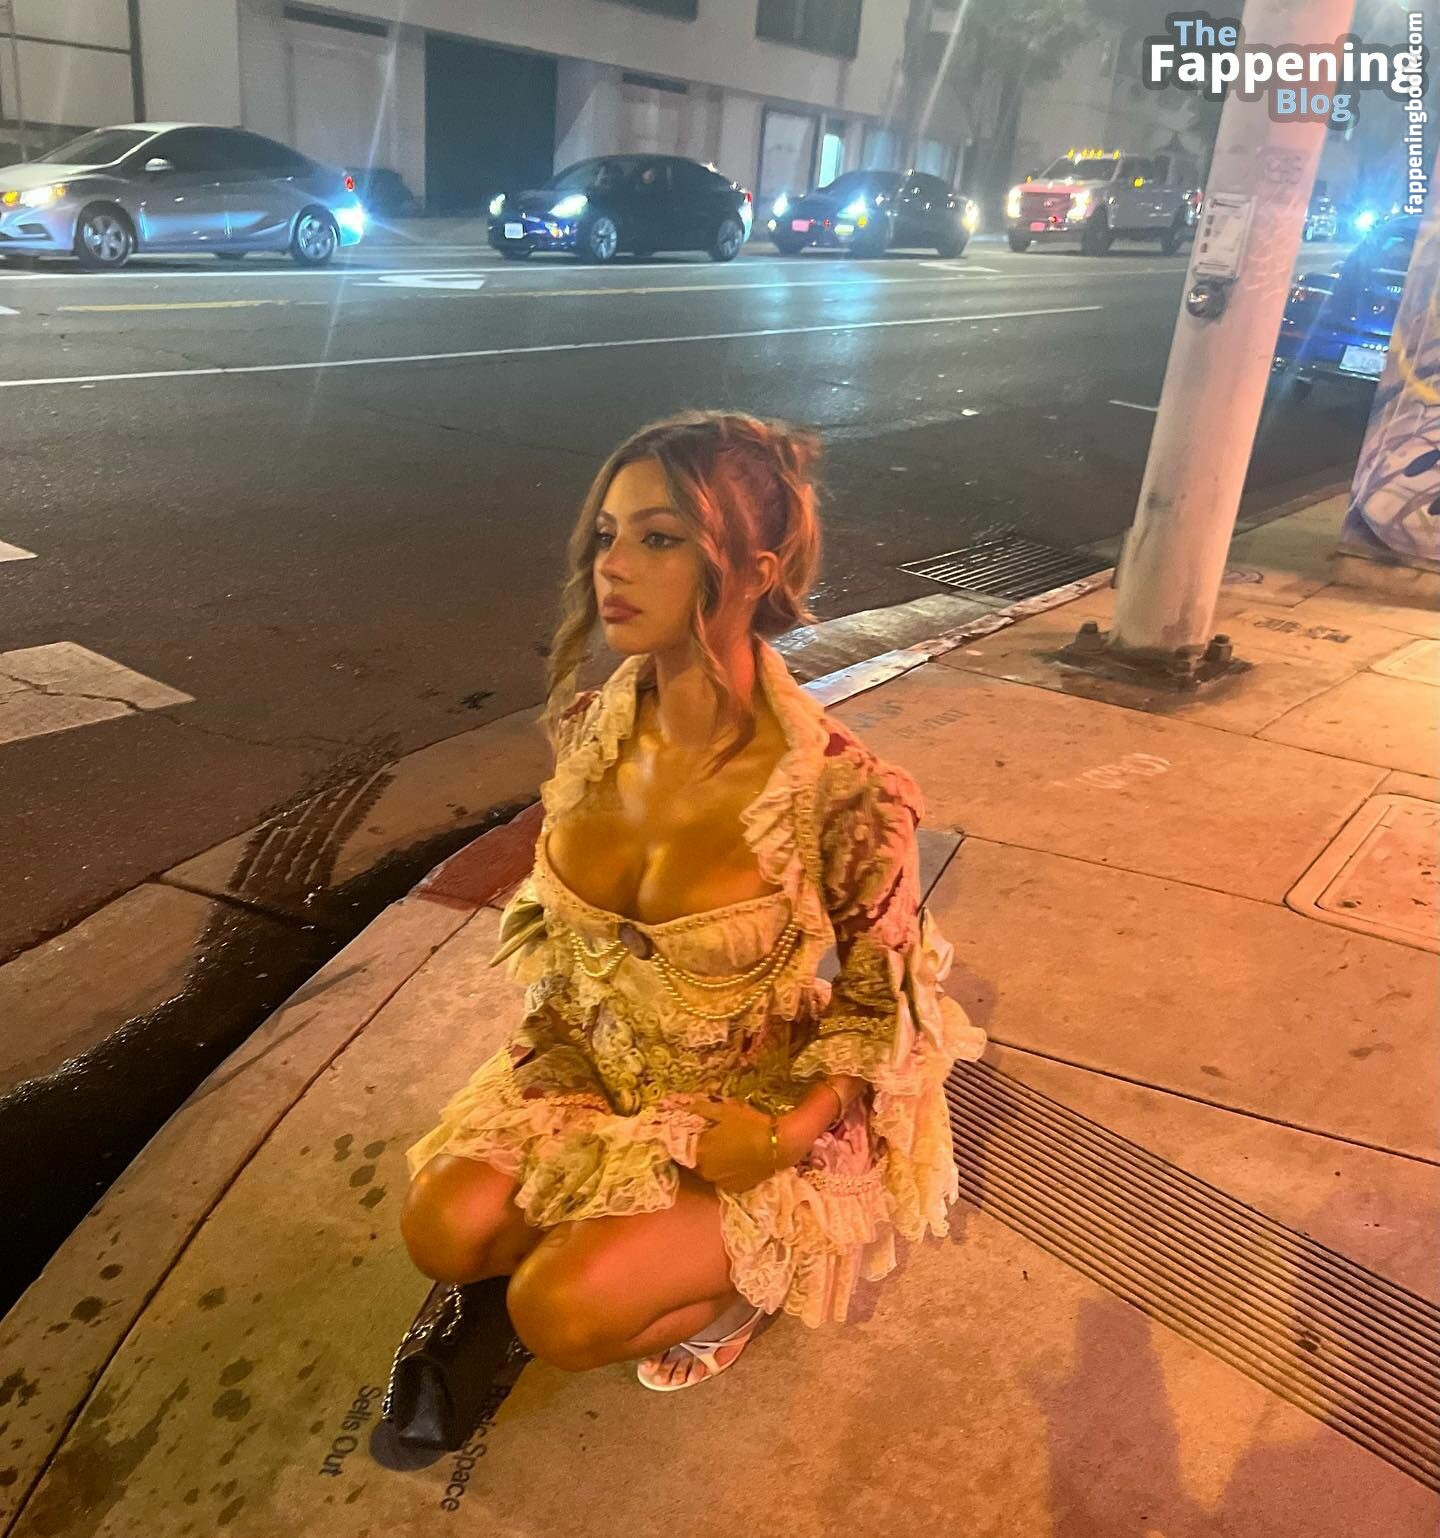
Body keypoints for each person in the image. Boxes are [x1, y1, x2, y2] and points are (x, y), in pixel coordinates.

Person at [397, 411, 985, 1398]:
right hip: (589, 1067)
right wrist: (550, 1048)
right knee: (443, 1234)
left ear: (756, 571)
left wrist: (785, 1134)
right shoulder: (591, 728)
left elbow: (889, 1006)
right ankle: (607, 1224)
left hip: (737, 1110)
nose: (614, 565)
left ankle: (733, 1298)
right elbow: (565, 946)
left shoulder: (842, 790)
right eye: (607, 534)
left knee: (558, 1313)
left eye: (660, 538)